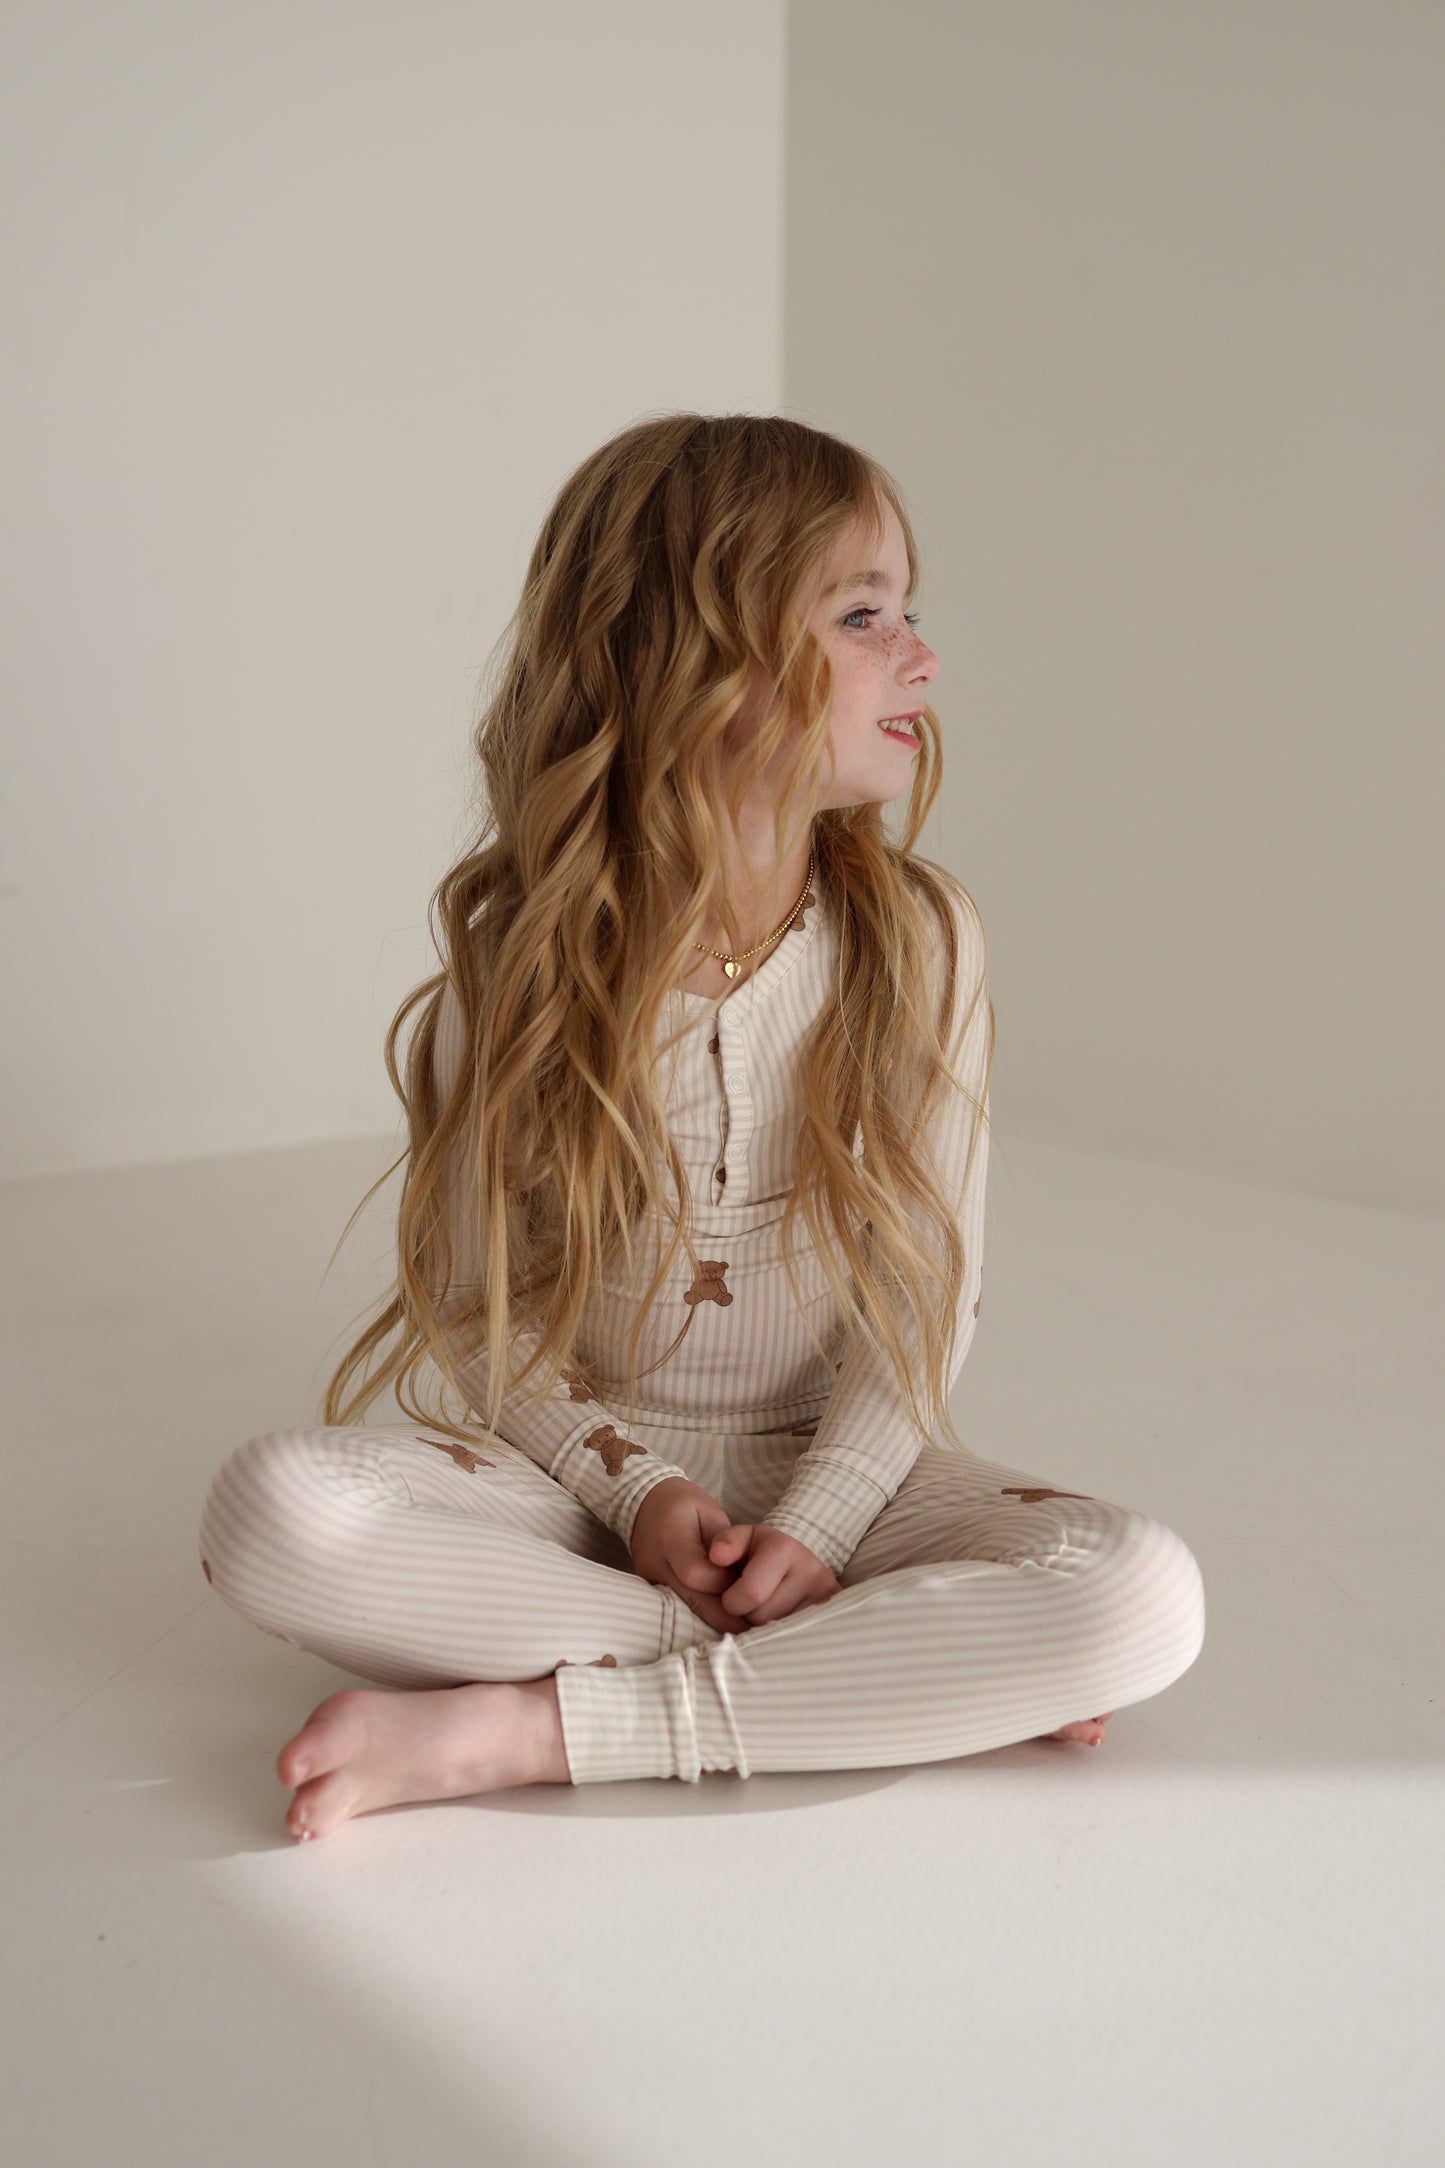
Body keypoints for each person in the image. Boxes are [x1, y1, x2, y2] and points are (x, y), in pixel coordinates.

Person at [196, 413, 1204, 1841]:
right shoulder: (522, 951)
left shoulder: (919, 940)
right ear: (691, 655)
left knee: (1140, 1592)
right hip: (579, 1488)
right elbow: (492, 1315)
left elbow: (929, 1297)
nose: (919, 657)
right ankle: (871, 1669)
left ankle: (533, 1730)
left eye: (910, 611)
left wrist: (819, 1530)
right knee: (272, 1514)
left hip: (840, 1468)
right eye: (862, 615)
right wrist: (645, 1491)